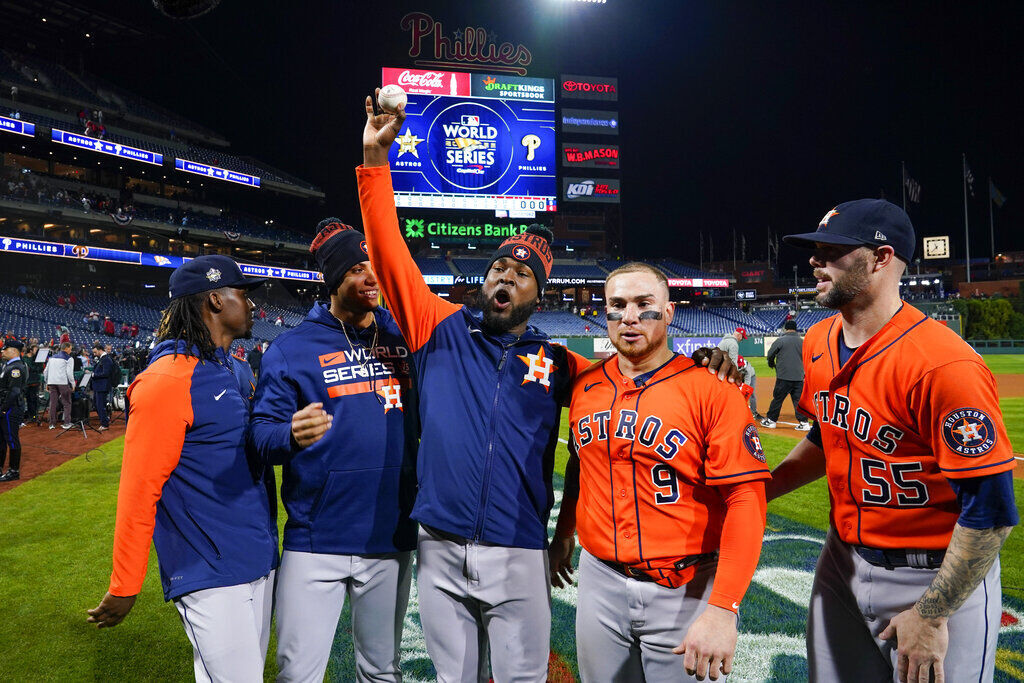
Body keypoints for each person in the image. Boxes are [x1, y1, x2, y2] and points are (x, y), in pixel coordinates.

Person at [768, 199, 1017, 682]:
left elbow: (992, 512)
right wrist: (755, 494)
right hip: (840, 560)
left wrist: (932, 613)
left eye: (832, 250)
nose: (815, 260)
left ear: (881, 258)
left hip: (935, 577)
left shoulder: (943, 365)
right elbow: (827, 436)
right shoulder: (819, 341)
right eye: (815, 249)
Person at [550, 263, 769, 682]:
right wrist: (564, 536)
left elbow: (746, 500)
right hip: (599, 579)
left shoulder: (712, 387)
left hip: (686, 585)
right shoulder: (584, 384)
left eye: (643, 304)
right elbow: (581, 463)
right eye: (617, 305)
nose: (629, 316)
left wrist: (723, 608)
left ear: (668, 313)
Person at [87, 255, 290, 683]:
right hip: (207, 568)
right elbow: (140, 489)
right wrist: (125, 583)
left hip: (256, 556)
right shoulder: (166, 381)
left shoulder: (234, 370)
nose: (252, 306)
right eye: (243, 294)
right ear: (215, 300)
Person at [249, 219, 418, 682]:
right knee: (298, 674)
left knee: (381, 671)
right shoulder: (291, 349)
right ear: (334, 279)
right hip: (315, 539)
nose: (370, 277)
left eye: (375, 267)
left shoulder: (406, 337)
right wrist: (290, 434)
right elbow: (261, 437)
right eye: (357, 268)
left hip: (390, 533)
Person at [760, 320, 811, 430]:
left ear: (786, 329)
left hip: (784, 376)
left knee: (778, 399)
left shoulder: (781, 340)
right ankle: (804, 422)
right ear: (796, 328)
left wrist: (771, 363)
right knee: (798, 400)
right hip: (799, 377)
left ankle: (771, 421)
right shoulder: (802, 341)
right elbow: (808, 358)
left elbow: (770, 355)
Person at [0, 339, 28, 482]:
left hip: (11, 408)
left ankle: (14, 471)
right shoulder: (8, 365)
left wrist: (4, 409)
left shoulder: (16, 368)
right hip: (5, 407)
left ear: (14, 351)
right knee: (1, 439)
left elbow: (14, 392)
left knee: (11, 439)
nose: (2, 351)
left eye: (5, 349)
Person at [718, 328, 759, 419]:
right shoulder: (733, 343)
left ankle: (749, 412)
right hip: (729, 372)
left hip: (722, 371)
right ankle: (736, 411)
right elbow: (733, 362)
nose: (742, 340)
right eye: (742, 338)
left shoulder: (723, 341)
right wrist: (734, 376)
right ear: (739, 335)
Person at [44, 341, 75, 429]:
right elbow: (69, 373)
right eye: (70, 348)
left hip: (52, 382)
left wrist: (47, 382)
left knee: (53, 403)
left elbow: (45, 371)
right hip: (63, 383)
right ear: (67, 348)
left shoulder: (52, 357)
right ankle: (67, 423)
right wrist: (73, 384)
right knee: (67, 403)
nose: (71, 350)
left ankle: (52, 424)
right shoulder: (69, 358)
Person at [91, 341, 113, 431]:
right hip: (99, 386)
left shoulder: (106, 359)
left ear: (100, 350)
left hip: (102, 386)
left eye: (95, 352)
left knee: (100, 405)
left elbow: (106, 373)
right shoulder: (102, 358)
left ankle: (104, 424)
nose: (94, 354)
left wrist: (94, 375)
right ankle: (105, 420)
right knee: (97, 404)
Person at [23, 342, 41, 425]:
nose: (37, 351)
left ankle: (34, 416)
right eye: (35, 349)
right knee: (29, 399)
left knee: (34, 399)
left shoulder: (36, 358)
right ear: (30, 350)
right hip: (28, 381)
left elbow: (39, 368)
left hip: (35, 381)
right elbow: (32, 367)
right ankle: (31, 415)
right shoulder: (25, 358)